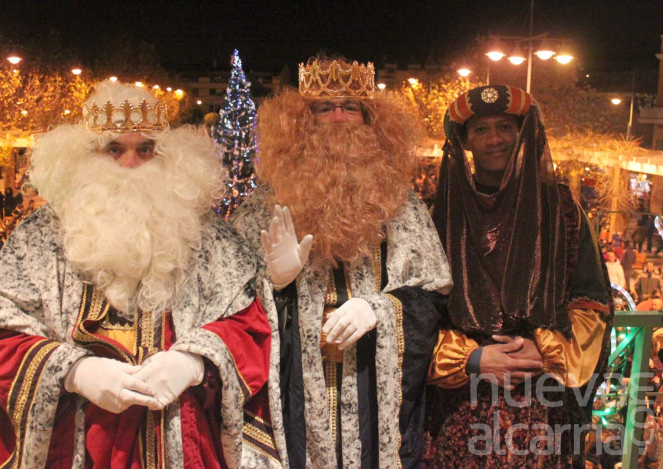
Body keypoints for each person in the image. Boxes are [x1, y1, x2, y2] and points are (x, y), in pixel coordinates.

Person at [0, 80, 280, 469]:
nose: (130, 164)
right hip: (79, 444)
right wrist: (75, 371)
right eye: (114, 149)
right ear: (84, 155)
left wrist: (194, 362)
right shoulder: (40, 236)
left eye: (145, 149)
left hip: (182, 440)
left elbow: (248, 324)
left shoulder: (207, 236)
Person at [231, 56, 452, 468]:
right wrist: (273, 285)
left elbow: (432, 293)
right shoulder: (264, 203)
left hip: (371, 391)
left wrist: (379, 309)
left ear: (371, 121)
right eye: (323, 107)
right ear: (301, 119)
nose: (338, 117)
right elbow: (226, 306)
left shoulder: (401, 204)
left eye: (351, 107)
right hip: (292, 398)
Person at [425, 84, 613, 467]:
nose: (494, 139)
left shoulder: (563, 210)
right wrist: (472, 359)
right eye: (481, 129)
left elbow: (591, 303)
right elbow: (414, 314)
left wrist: (546, 350)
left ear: (522, 133)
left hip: (544, 400)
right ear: (465, 140)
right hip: (460, 400)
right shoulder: (437, 214)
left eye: (504, 127)